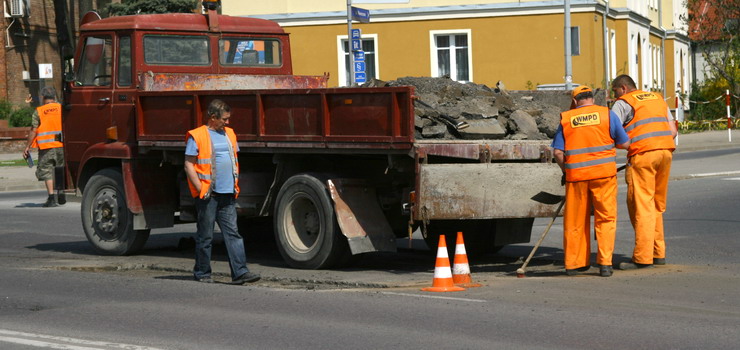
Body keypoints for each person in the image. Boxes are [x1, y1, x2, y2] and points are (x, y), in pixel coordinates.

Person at [552, 86, 630, 277]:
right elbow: (625, 143)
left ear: (575, 100)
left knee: (575, 221)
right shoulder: (607, 115)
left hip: (576, 178)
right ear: (592, 99)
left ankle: (574, 264)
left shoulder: (567, 119)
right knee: (605, 218)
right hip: (604, 176)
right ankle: (605, 264)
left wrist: (565, 170)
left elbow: (557, 152)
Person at [184, 99, 260, 284]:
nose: (227, 122)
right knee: (206, 235)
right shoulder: (198, 135)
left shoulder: (230, 134)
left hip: (227, 193)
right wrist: (201, 188)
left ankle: (240, 272)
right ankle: (202, 273)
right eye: (224, 119)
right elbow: (189, 165)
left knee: (233, 233)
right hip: (208, 195)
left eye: (228, 119)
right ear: (212, 117)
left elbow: (232, 160)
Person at [610, 75, 677, 270]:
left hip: (643, 156)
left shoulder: (623, 103)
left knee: (642, 206)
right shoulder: (657, 98)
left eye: (614, 91)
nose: (614, 95)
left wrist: (629, 144)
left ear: (623, 88)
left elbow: (612, 132)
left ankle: (642, 257)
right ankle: (658, 253)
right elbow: (672, 131)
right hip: (665, 152)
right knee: (656, 205)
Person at [23, 86, 65, 207]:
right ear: (54, 97)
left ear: (43, 97)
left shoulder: (39, 111)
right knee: (60, 168)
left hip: (46, 147)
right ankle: (61, 192)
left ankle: (51, 198)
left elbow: (33, 131)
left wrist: (27, 146)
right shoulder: (61, 109)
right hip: (62, 145)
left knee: (47, 171)